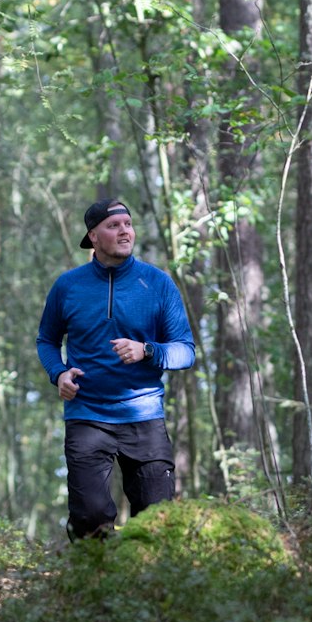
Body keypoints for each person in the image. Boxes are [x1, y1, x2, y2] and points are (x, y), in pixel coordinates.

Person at [36, 198, 197, 540]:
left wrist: (147, 350)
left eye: (128, 224)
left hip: (144, 413)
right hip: (87, 414)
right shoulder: (68, 286)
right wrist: (59, 373)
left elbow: (186, 351)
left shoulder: (158, 284)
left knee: (158, 519)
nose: (125, 231)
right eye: (114, 226)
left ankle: (150, 588)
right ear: (93, 237)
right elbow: (46, 340)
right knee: (90, 518)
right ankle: (93, 589)